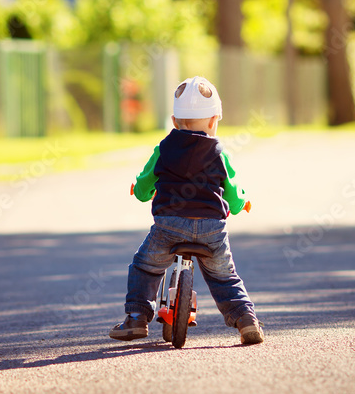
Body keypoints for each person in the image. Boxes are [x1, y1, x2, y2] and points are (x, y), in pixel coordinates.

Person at [109, 75, 264, 345]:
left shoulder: (164, 149)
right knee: (224, 277)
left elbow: (145, 185)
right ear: (215, 120)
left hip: (169, 226)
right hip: (211, 229)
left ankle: (136, 316)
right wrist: (241, 204)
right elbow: (232, 191)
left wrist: (140, 190)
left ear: (174, 121)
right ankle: (246, 321)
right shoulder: (220, 152)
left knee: (144, 266)